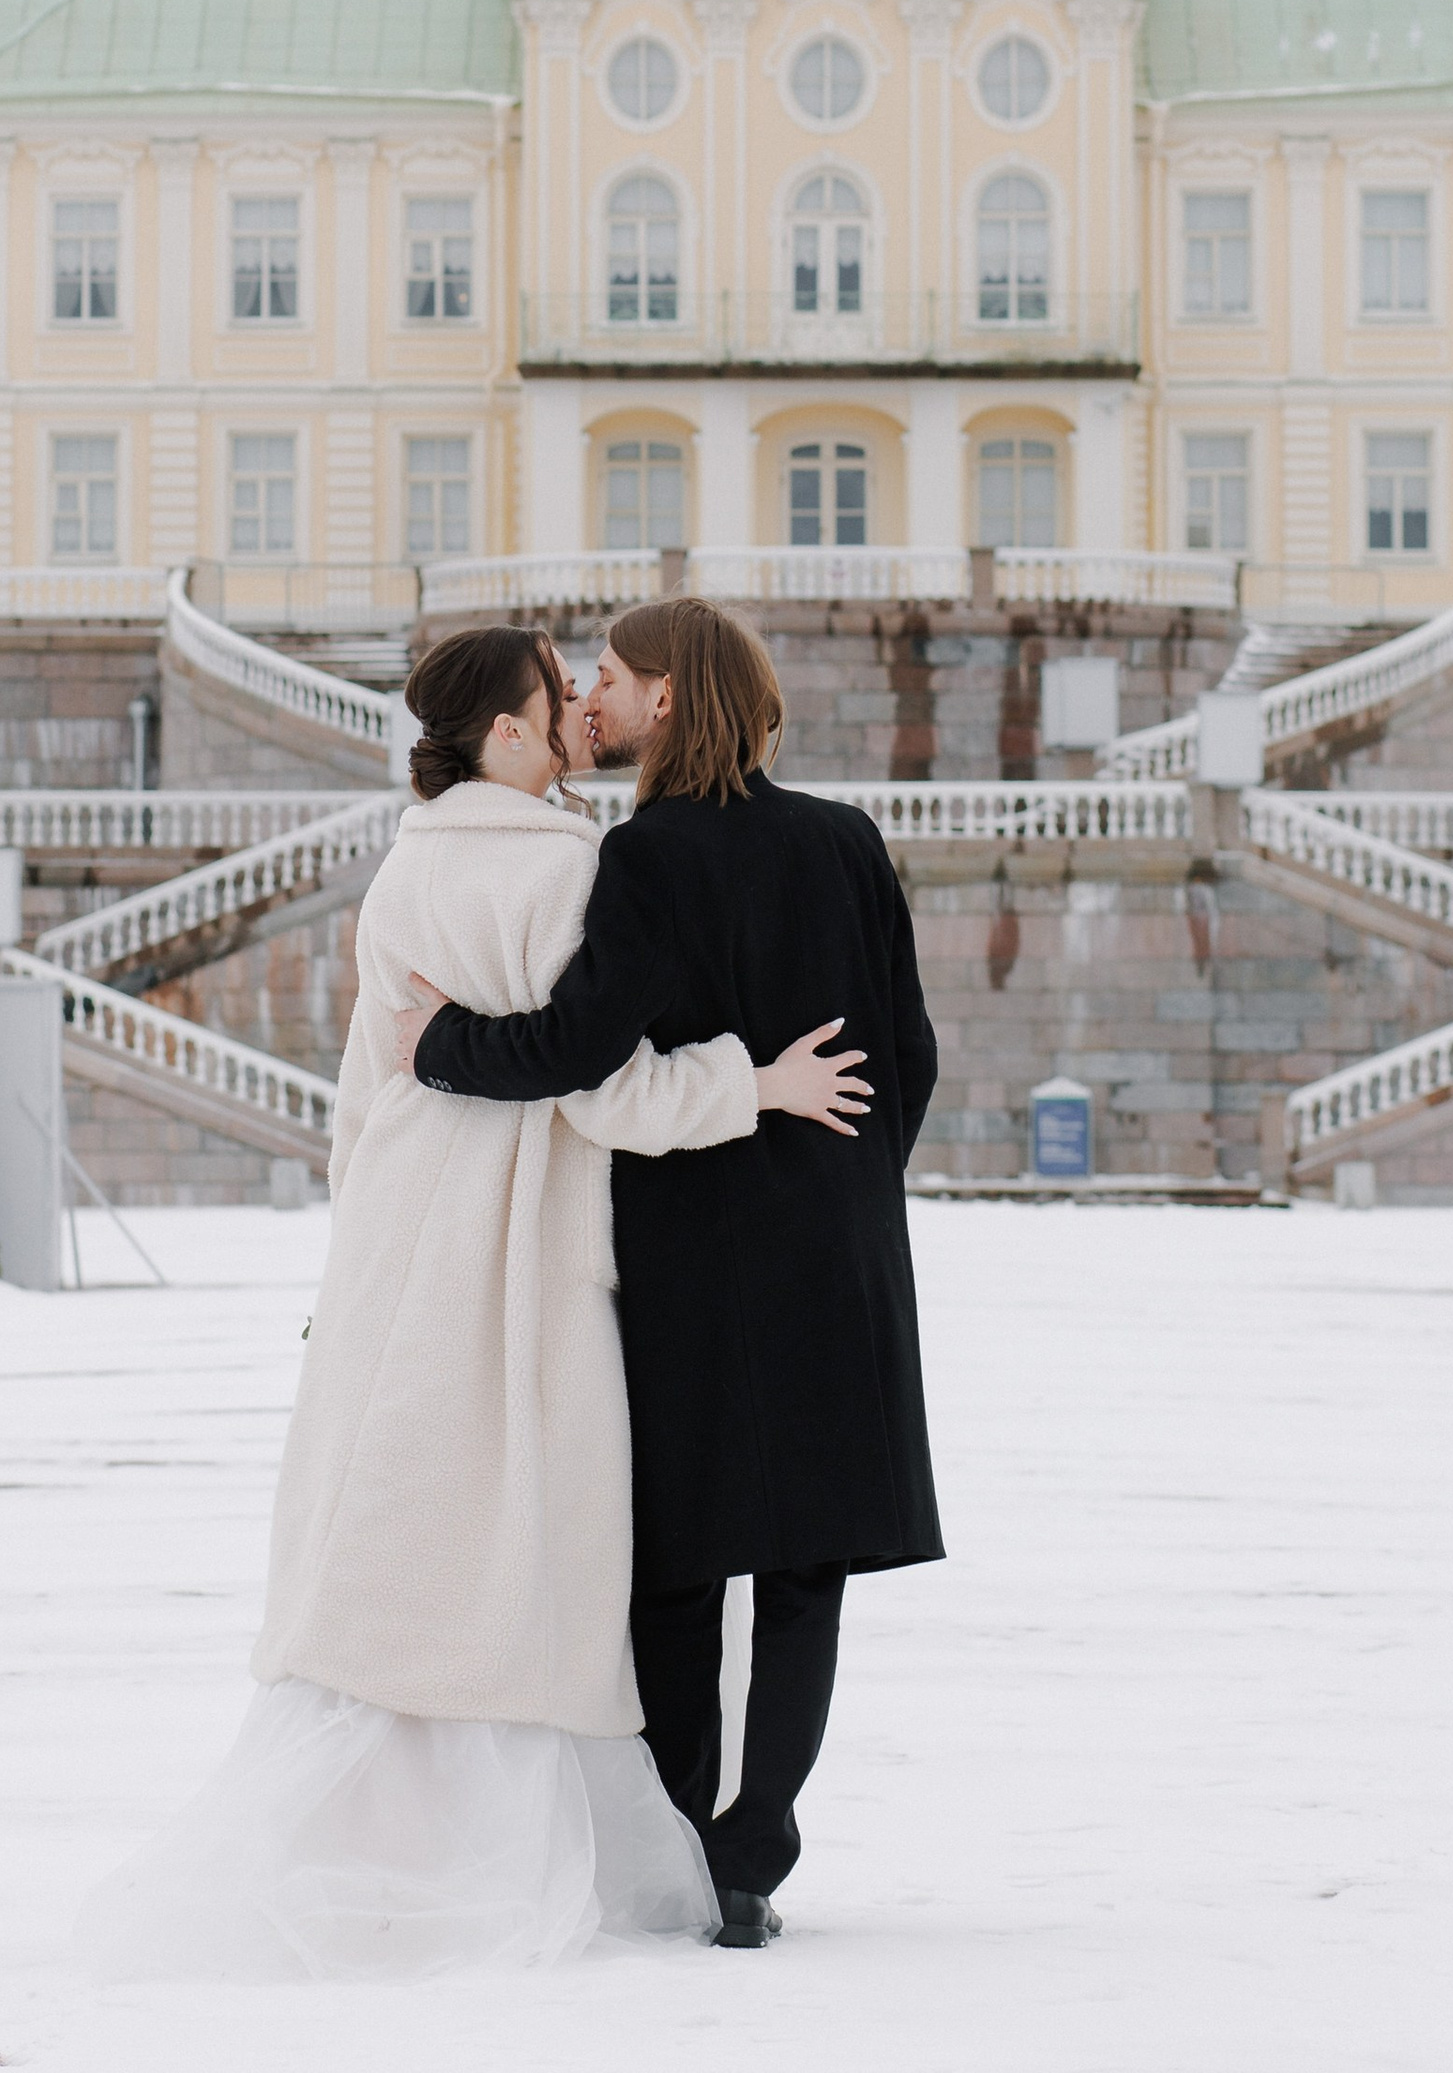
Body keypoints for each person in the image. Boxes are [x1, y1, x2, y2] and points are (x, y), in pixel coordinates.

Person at [76, 619, 868, 1983]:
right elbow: (602, 1084)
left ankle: (370, 1833)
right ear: (505, 734)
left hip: (401, 1235)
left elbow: (361, 1090)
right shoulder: (574, 865)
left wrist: (353, 1249)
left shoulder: (403, 868)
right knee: (527, 1543)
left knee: (397, 1521)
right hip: (520, 1242)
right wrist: (755, 1082)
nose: (579, 710)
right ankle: (537, 1844)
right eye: (557, 697)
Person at [398, 597, 942, 1948]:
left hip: (693, 1248)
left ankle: (690, 1833)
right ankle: (757, 1846)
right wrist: (860, 1188)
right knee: (808, 1559)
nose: (598, 693)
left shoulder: (645, 857)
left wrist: (439, 1044)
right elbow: (910, 1053)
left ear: (669, 700)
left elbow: (579, 1046)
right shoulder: (847, 839)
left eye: (617, 676)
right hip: (836, 1247)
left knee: (676, 1561)